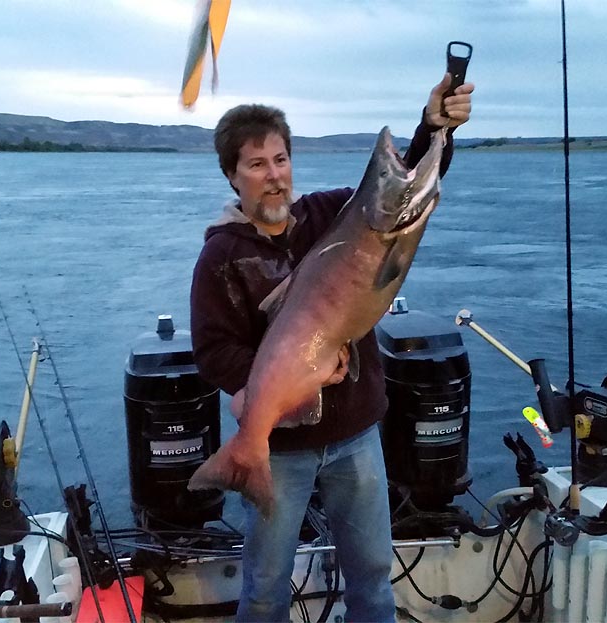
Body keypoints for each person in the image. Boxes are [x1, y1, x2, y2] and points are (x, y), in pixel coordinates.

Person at [190, 73, 473, 622]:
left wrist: (433, 128)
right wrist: (286, 377)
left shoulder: (328, 216)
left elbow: (395, 197)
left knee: (371, 576)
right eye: (256, 165)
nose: (273, 177)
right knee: (267, 586)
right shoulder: (221, 256)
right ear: (232, 176)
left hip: (357, 436)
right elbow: (212, 351)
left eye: (280, 159)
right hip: (280, 448)